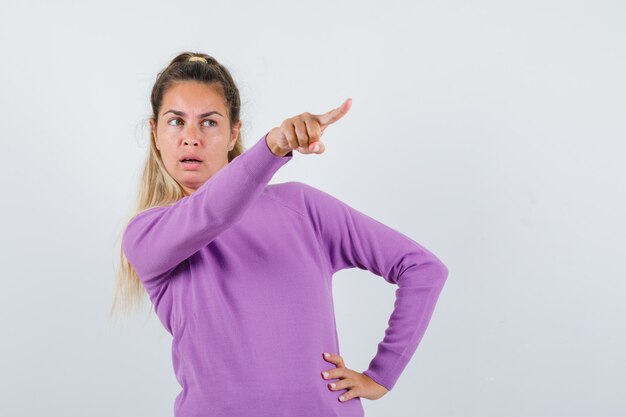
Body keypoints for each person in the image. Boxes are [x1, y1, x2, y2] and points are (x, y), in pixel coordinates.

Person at [110, 51, 449, 417]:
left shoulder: (303, 208)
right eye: (177, 121)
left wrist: (381, 375)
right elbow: (211, 213)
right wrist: (273, 146)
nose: (191, 138)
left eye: (209, 123)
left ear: (233, 133)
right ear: (155, 132)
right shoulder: (147, 234)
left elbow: (421, 268)